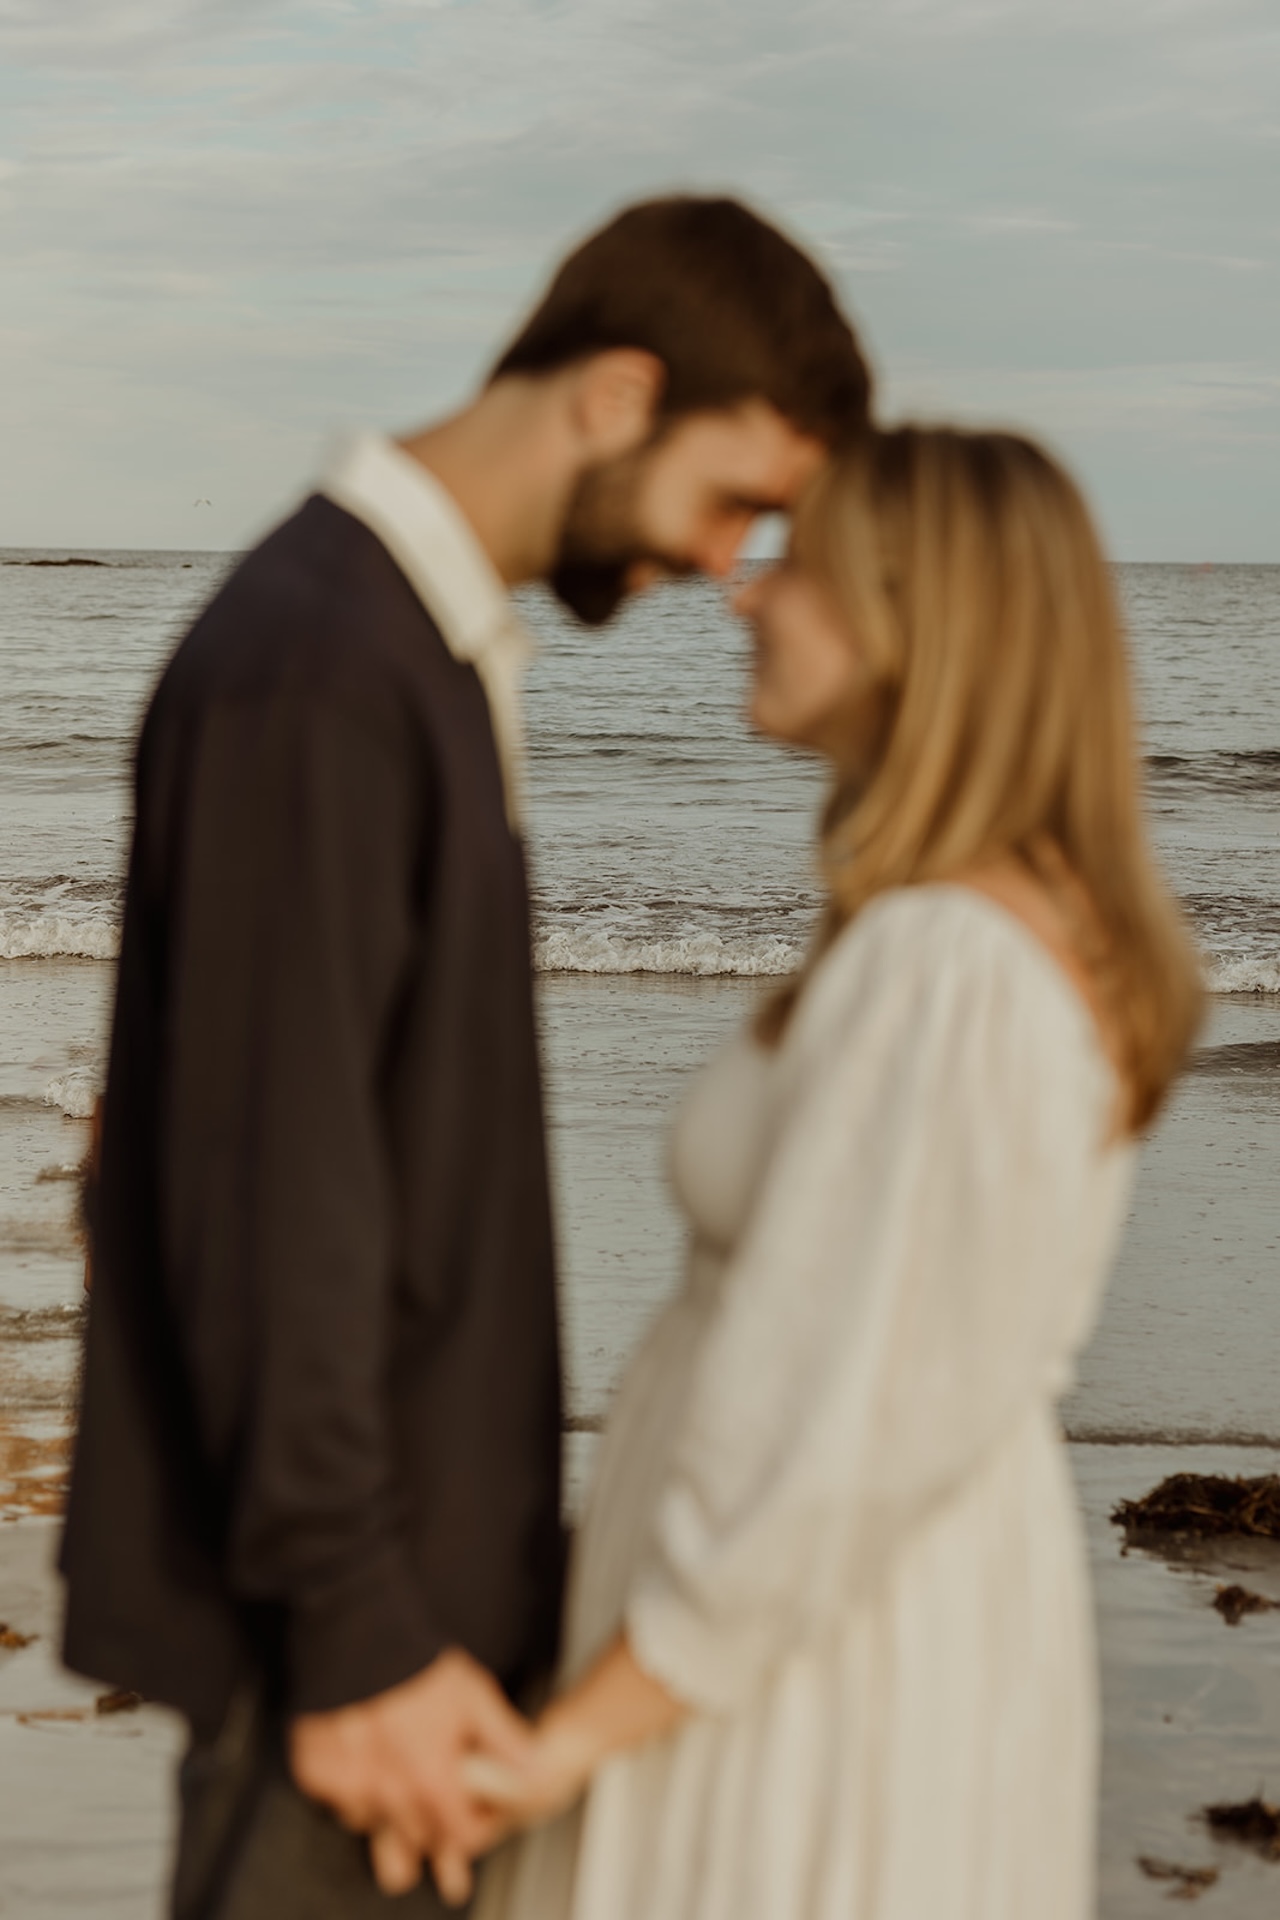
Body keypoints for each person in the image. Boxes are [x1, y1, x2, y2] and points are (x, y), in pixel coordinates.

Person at [58, 196, 871, 1918]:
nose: (727, 564)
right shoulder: (322, 670)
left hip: (398, 1628)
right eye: (734, 499)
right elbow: (274, 1192)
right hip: (353, 1662)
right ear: (613, 393)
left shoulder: (398, 647)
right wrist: (355, 1633)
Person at [461, 427, 1203, 1920]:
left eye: (798, 562)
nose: (741, 594)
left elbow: (830, 1423)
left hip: (799, 1684)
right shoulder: (943, 936)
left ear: (921, 616)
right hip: (795, 1641)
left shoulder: (952, 972)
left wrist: (565, 1745)